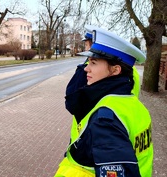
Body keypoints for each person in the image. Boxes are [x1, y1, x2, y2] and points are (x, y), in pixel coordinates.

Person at [55, 27, 153, 177]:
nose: (86, 69)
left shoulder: (105, 120)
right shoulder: (137, 107)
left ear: (115, 70)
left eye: (93, 63)